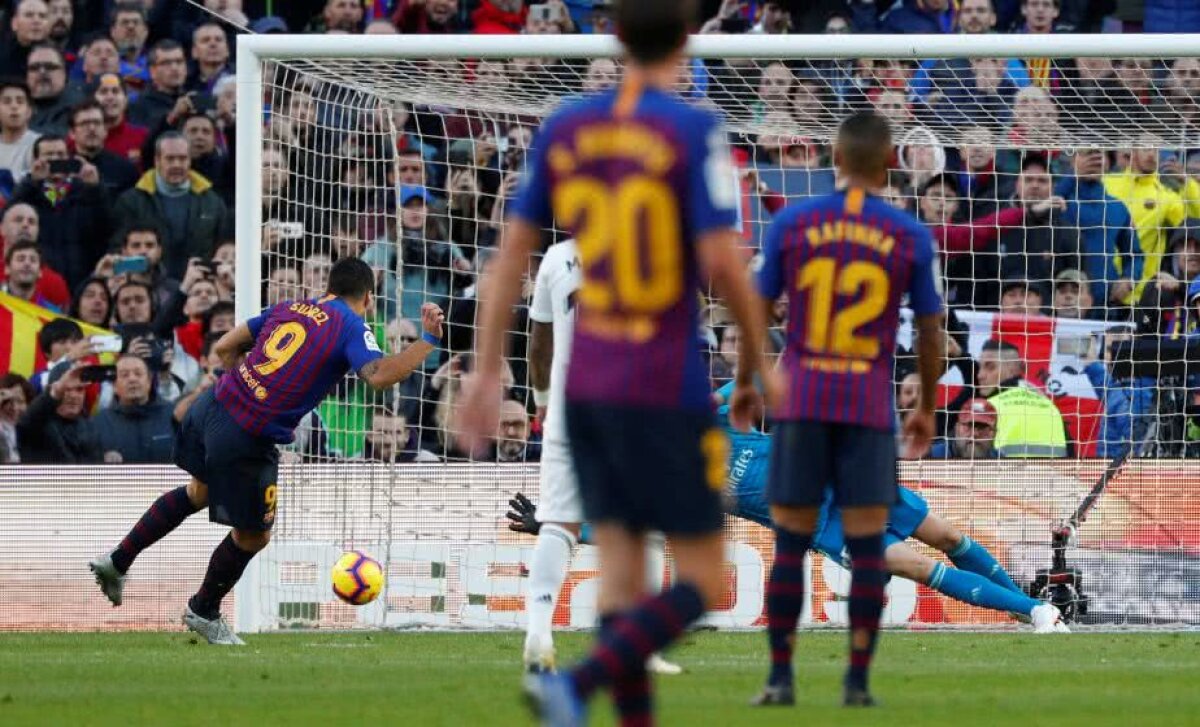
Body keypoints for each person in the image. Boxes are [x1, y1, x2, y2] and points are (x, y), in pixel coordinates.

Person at [457, 2, 774, 723]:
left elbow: (510, 255)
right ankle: (578, 682)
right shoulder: (696, 131)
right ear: (688, 39)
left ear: (616, 35)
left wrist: (483, 371)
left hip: (587, 385)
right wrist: (755, 370)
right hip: (663, 381)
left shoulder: (567, 125)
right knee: (696, 575)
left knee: (623, 576)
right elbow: (726, 267)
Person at [88, 258, 445, 646]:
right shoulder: (351, 324)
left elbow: (226, 347)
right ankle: (203, 610)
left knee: (198, 492)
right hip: (247, 434)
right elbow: (377, 376)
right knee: (254, 536)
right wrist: (428, 340)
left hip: (211, 406)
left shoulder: (290, 307)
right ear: (369, 298)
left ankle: (117, 560)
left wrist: (251, 387)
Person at [752, 111, 944, 708]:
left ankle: (780, 678)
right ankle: (857, 683)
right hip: (865, 410)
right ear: (891, 161)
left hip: (803, 403)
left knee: (789, 542)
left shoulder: (793, 221)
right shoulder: (908, 233)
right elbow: (932, 329)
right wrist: (928, 405)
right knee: (866, 550)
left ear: (834, 158)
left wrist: (745, 381)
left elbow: (756, 309)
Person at [92, 354, 176, 464]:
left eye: (138, 373)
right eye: (124, 375)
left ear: (149, 382)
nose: (132, 379)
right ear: (114, 386)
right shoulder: (99, 423)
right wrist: (101, 459)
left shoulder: (173, 416)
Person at [929, 398, 1000, 459]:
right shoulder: (930, 456)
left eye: (983, 427)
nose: (974, 434)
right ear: (957, 428)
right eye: (968, 425)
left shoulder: (1001, 462)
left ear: (994, 433)